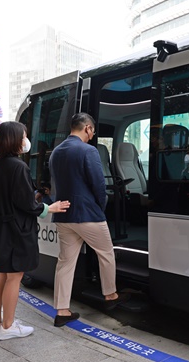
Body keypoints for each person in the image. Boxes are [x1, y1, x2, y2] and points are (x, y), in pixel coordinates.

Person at [0, 122, 70, 340]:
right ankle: (8, 326)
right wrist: (50, 207)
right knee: (14, 277)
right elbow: (26, 205)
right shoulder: (19, 167)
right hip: (15, 231)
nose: (25, 140)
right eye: (23, 136)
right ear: (14, 140)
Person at [49, 112, 130, 327]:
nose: (92, 135)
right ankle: (110, 295)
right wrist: (100, 208)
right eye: (92, 131)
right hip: (88, 214)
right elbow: (99, 185)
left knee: (65, 263)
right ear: (87, 128)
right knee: (106, 253)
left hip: (64, 215)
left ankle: (62, 310)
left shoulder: (56, 152)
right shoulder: (88, 151)